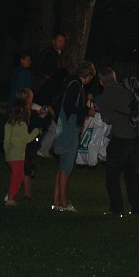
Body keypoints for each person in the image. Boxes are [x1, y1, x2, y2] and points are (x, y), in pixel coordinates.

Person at [96, 67, 139, 218]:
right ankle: (138, 209)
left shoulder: (109, 92)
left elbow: (106, 118)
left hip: (122, 137)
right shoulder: (127, 88)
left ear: (101, 82)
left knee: (112, 174)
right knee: (131, 174)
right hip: (138, 136)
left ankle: (116, 208)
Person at [52, 61, 95, 212]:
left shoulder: (71, 82)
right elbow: (69, 106)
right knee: (66, 167)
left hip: (64, 127)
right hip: (69, 129)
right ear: (88, 75)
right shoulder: (76, 85)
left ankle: (56, 201)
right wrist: (86, 111)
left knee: (62, 165)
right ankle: (64, 202)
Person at [4, 88, 41, 206]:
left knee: (15, 175)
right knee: (19, 177)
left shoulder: (9, 123)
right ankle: (10, 198)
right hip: (18, 156)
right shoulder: (22, 125)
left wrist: (7, 150)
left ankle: (9, 194)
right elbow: (27, 139)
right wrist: (36, 131)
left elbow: (5, 140)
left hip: (9, 155)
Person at [6, 51, 34, 117]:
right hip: (20, 101)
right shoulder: (25, 72)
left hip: (14, 101)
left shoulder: (18, 70)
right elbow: (25, 88)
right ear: (22, 60)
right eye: (28, 60)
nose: (30, 62)